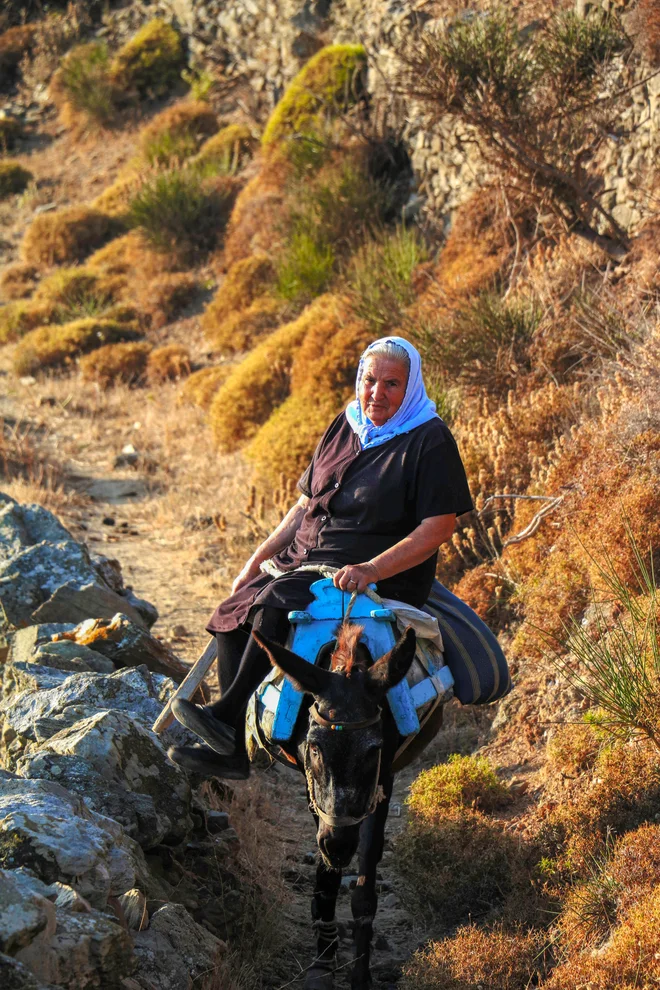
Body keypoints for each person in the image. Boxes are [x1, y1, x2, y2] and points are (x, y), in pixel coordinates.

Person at [169, 336, 473, 777]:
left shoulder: (428, 439)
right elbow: (303, 506)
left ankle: (224, 715)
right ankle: (231, 748)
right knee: (235, 609)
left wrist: (372, 568)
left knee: (274, 602)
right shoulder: (346, 423)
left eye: (392, 384)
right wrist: (257, 560)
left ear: (411, 388)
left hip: (373, 567)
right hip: (309, 558)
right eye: (370, 380)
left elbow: (438, 528)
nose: (377, 393)